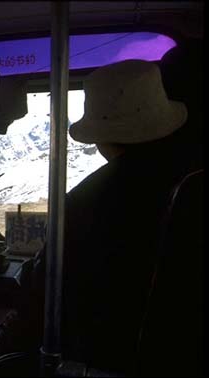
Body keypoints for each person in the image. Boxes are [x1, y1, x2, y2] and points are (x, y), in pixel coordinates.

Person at [31, 59, 198, 375]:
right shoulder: (193, 175)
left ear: (99, 137)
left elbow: (49, 289)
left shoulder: (84, 201)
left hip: (108, 359)